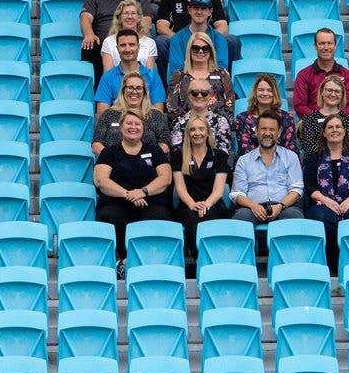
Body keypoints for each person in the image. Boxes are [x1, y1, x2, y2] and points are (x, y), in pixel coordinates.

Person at [95, 111, 174, 271]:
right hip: (117, 203)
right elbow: (100, 180)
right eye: (129, 123)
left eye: (137, 124)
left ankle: (141, 260)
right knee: (110, 215)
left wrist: (143, 191)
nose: (133, 127)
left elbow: (165, 178)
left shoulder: (154, 150)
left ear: (143, 128)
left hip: (150, 202)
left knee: (159, 215)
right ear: (121, 127)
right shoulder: (109, 152)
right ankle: (125, 258)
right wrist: (128, 194)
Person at [304, 111, 349, 274]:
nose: (334, 130)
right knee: (321, 217)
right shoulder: (314, 158)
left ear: (344, 131)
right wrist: (328, 201)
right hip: (323, 202)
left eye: (338, 126)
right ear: (324, 132)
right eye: (330, 127)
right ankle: (331, 265)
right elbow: (310, 187)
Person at [172, 112, 230, 270]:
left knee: (209, 217)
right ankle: (199, 261)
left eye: (201, 129)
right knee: (191, 219)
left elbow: (219, 190)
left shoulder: (219, 156)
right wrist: (192, 205)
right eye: (192, 130)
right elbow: (180, 188)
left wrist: (206, 204)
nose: (197, 133)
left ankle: (213, 261)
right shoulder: (178, 156)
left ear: (208, 132)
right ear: (188, 133)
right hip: (188, 204)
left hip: (213, 203)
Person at [230, 112, 303, 226]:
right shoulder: (244, 161)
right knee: (241, 217)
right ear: (256, 131)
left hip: (284, 206)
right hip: (253, 208)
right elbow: (237, 193)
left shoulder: (291, 157)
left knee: (294, 216)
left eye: (272, 129)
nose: (267, 133)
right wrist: (253, 206)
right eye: (263, 129)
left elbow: (296, 190)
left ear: (279, 132)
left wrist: (280, 206)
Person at [81, 0, 151, 78]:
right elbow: (86, 17)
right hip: (101, 42)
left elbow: (147, 20)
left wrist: (133, 39)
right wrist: (89, 34)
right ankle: (99, 90)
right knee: (89, 46)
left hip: (132, 40)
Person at [153, 0, 229, 68]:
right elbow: (161, 27)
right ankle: (166, 82)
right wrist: (181, 41)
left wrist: (204, 42)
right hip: (179, 41)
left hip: (208, 41)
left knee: (231, 41)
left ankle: (225, 79)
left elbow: (222, 26)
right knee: (161, 41)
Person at [164, 31, 235, 131]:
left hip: (216, 128)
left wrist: (210, 123)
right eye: (196, 48)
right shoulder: (178, 76)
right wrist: (194, 124)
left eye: (205, 48)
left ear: (211, 51)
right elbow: (172, 108)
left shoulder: (222, 75)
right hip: (186, 128)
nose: (200, 51)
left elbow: (229, 107)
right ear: (189, 50)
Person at [292, 27, 349, 123]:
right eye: (321, 43)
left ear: (335, 46)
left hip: (341, 124)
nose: (326, 47)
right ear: (315, 46)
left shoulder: (347, 75)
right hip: (312, 124)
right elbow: (299, 105)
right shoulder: (303, 75)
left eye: (329, 43)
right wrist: (318, 119)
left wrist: (335, 120)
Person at [93, 75, 171, 154]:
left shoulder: (156, 115)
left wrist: (149, 158)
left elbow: (165, 144)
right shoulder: (108, 114)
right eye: (130, 87)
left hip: (148, 164)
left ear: (144, 92)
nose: (134, 91)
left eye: (139, 88)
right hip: (114, 164)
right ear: (123, 90)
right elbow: (96, 144)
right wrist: (112, 158)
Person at [96, 28, 166, 112]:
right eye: (123, 45)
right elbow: (102, 114)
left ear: (138, 47)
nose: (127, 49)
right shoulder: (108, 77)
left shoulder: (152, 76)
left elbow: (158, 113)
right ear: (117, 48)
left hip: (146, 123)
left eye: (132, 45)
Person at [168, 72, 235, 158]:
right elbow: (176, 152)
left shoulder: (221, 121)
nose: (199, 96)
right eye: (195, 92)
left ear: (211, 96)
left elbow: (224, 152)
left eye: (204, 93)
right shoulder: (178, 122)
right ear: (188, 95)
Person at [161, 0, 230, 76]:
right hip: (186, 82)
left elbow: (221, 67)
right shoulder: (177, 38)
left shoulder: (218, 38)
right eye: (196, 8)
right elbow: (176, 69)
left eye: (203, 8)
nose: (199, 12)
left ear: (210, 11)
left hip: (213, 83)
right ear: (189, 10)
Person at [235, 74, 298, 159]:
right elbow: (245, 149)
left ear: (274, 93)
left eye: (269, 90)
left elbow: (291, 148)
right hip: (251, 166)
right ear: (255, 93)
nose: (265, 93)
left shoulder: (286, 118)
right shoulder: (242, 118)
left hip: (281, 166)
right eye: (261, 90)